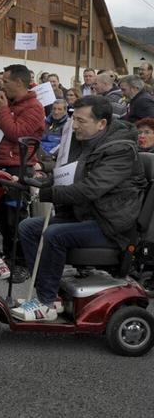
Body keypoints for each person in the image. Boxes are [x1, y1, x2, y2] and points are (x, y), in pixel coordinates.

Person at [12, 96, 146, 321]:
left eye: (81, 121)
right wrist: (42, 176)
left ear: (101, 123)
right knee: (28, 227)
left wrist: (47, 193)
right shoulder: (92, 140)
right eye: (74, 119)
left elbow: (90, 189)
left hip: (111, 225)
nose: (74, 126)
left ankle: (45, 304)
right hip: (88, 215)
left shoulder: (121, 150)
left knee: (54, 234)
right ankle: (49, 295)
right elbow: (70, 172)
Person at [0, 64, 45, 280]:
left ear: (19, 83)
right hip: (0, 165)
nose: (1, 84)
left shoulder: (34, 107)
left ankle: (21, 262)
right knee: (2, 218)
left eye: (5, 80)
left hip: (17, 167)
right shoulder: (11, 104)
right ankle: (9, 257)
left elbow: (16, 133)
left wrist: (3, 110)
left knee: (15, 218)